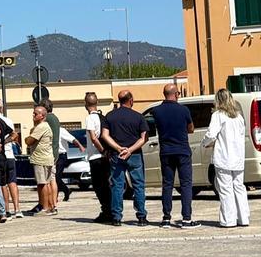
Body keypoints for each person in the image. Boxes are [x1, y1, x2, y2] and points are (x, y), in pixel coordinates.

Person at [148, 83, 198, 228]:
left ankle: (166, 218)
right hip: (182, 150)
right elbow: (191, 128)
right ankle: (187, 219)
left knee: (167, 184)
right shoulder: (183, 110)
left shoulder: (156, 111)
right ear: (176, 94)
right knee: (186, 184)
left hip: (166, 152)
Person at [100, 90, 149, 226]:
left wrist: (118, 148)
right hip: (135, 155)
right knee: (138, 185)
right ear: (131, 100)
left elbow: (104, 135)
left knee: (117, 185)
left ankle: (116, 217)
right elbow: (144, 137)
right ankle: (141, 217)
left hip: (117, 155)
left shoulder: (109, 116)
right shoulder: (138, 117)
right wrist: (130, 149)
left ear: (119, 100)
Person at [203, 89, 250, 228]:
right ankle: (243, 218)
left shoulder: (218, 115)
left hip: (224, 157)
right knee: (239, 188)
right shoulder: (239, 117)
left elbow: (211, 134)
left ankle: (228, 220)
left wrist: (205, 143)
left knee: (225, 189)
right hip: (238, 157)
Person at [82, 92, 112, 223]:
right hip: (105, 157)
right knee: (106, 184)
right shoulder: (103, 117)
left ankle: (106, 210)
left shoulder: (90, 119)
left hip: (96, 156)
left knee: (98, 185)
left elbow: (93, 137)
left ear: (86, 104)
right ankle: (110, 209)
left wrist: (102, 150)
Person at [25, 105, 57, 217]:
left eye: (35, 113)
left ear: (42, 115)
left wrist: (27, 138)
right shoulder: (43, 126)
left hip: (41, 159)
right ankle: (49, 205)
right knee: (46, 183)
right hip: (46, 158)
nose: (33, 115)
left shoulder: (41, 127)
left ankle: (45, 207)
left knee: (42, 184)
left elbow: (29, 141)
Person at [0, 100, 20, 218]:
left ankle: (6, 209)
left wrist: (1, 143)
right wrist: (7, 142)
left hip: (0, 155)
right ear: (2, 108)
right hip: (10, 155)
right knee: (12, 182)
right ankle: (17, 209)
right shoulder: (8, 120)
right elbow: (14, 134)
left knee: (2, 183)